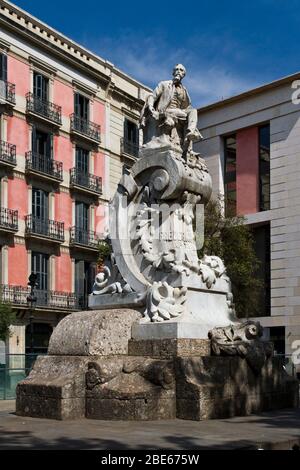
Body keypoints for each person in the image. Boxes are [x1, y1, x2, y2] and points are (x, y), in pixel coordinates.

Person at [140, 64, 203, 151]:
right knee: (185, 113)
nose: (178, 71)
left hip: (178, 111)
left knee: (193, 111)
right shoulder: (164, 84)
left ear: (183, 74)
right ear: (173, 72)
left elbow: (187, 105)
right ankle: (190, 134)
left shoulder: (184, 90)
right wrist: (150, 106)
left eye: (181, 70)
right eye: (176, 69)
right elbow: (152, 96)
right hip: (166, 110)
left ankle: (190, 132)